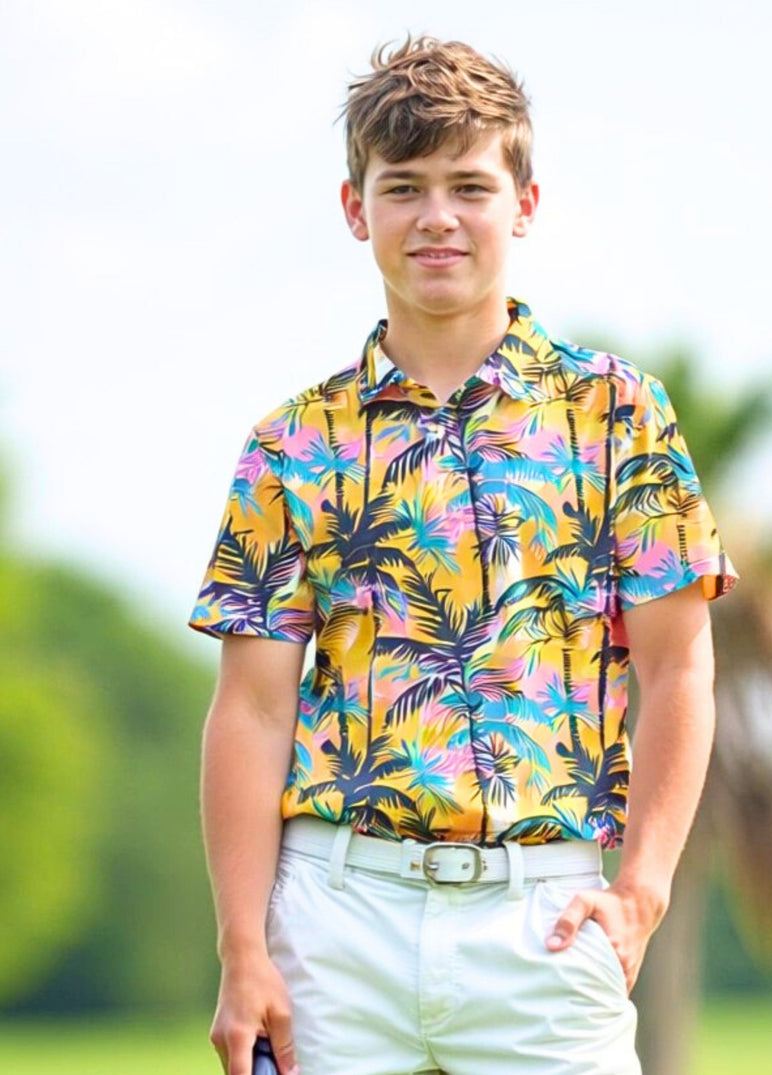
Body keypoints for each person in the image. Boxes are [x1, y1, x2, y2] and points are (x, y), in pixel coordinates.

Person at [188, 35, 738, 1075]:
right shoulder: (291, 443)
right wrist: (242, 947)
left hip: (548, 916)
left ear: (523, 203)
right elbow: (253, 708)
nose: (436, 216)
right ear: (357, 209)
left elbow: (678, 666)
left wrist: (643, 887)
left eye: (468, 186)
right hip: (333, 920)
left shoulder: (617, 415)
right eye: (402, 187)